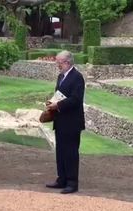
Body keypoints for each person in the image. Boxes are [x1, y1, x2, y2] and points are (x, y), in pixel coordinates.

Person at [45, 50, 85, 194]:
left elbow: (76, 99)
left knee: (71, 152)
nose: (57, 65)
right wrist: (52, 103)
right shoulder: (61, 76)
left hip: (72, 122)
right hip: (60, 120)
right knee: (60, 151)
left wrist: (58, 105)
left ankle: (72, 182)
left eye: (59, 63)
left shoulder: (77, 77)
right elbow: (59, 95)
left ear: (67, 62)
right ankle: (61, 179)